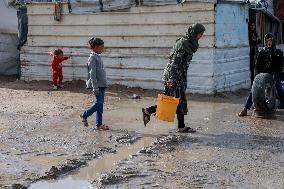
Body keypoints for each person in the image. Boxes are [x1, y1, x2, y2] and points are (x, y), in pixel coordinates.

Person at [142, 23, 206, 133]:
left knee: (177, 100)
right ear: (194, 33)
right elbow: (175, 62)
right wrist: (171, 78)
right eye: (200, 34)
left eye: (201, 34)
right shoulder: (183, 44)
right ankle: (149, 111)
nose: (201, 36)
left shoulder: (188, 43)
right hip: (174, 75)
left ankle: (180, 125)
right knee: (174, 100)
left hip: (179, 75)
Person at [238, 33, 284, 116]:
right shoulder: (262, 52)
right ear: (265, 42)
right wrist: (257, 78)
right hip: (263, 74)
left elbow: (280, 67)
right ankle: (245, 109)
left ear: (273, 41)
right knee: (253, 90)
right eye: (267, 41)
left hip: (274, 74)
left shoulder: (278, 52)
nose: (269, 43)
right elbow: (257, 66)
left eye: (270, 40)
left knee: (279, 88)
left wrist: (275, 77)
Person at [80, 37, 109, 130]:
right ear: (96, 47)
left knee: (100, 105)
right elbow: (92, 74)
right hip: (97, 86)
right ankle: (85, 114)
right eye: (101, 47)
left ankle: (99, 124)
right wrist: (95, 87)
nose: (103, 49)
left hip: (102, 84)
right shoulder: (92, 58)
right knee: (99, 103)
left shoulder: (97, 57)